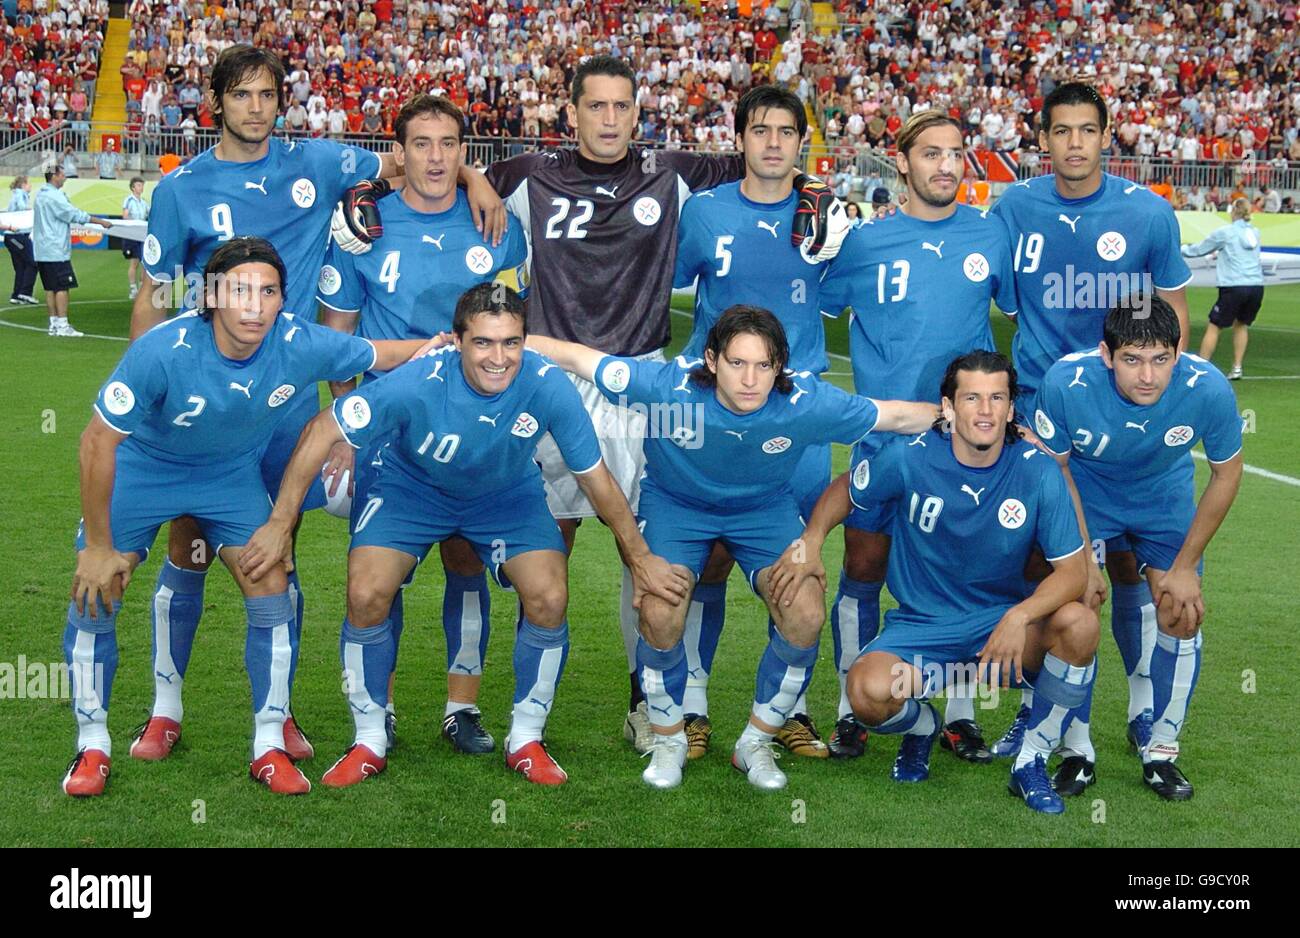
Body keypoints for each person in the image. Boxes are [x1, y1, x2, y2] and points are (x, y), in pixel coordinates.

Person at [331, 55, 849, 754]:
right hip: (549, 380)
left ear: (639, 114)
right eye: (595, 107)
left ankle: (651, 705)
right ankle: (521, 715)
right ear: (569, 112)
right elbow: (436, 165)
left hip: (641, 385)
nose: (609, 120)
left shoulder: (670, 172)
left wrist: (815, 187)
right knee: (548, 554)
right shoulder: (526, 175)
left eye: (621, 107)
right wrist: (447, 176)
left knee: (652, 553)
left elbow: (763, 161)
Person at [241, 284, 687, 788]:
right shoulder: (418, 380)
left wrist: (641, 556)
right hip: (411, 486)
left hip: (503, 492)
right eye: (483, 343)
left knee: (548, 594)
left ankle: (526, 738)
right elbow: (324, 428)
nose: (499, 358)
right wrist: (280, 524)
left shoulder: (547, 384)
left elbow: (595, 476)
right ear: (457, 341)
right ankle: (368, 739)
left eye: (511, 343)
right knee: (367, 593)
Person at [123, 45, 423, 765]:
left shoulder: (316, 163)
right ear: (217, 103)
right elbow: (152, 296)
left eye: (267, 95)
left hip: (288, 400)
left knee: (278, 554)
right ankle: (165, 710)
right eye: (242, 95)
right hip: (204, 402)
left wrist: (472, 177)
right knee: (189, 548)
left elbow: (407, 160)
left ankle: (277, 712)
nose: (256, 107)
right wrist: (148, 393)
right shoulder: (181, 188)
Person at [60, 238, 437, 797]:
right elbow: (97, 443)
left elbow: (378, 353)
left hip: (227, 478)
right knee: (98, 587)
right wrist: (96, 543)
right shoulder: (164, 349)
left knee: (270, 583)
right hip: (147, 470)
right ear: (211, 295)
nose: (256, 306)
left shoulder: (297, 341)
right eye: (240, 291)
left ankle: (268, 744)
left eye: (269, 292)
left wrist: (441, 345)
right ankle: (92, 746)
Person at [527, 306, 939, 790]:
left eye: (764, 366)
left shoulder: (805, 401)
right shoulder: (667, 388)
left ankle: (755, 743)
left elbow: (897, 415)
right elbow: (576, 357)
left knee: (804, 610)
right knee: (660, 608)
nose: (750, 379)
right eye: (737, 363)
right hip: (677, 506)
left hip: (762, 510)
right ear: (711, 360)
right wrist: (497, 342)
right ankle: (668, 738)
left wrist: (972, 417)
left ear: (780, 367)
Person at [770, 351, 1100, 814]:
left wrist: (1018, 615)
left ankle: (1031, 761)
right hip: (923, 629)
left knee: (1080, 624)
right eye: (971, 398)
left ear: (1010, 409)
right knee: (866, 693)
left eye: (996, 398)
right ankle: (922, 727)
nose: (985, 411)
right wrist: (811, 537)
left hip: (1000, 632)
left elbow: (1074, 572)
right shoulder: (910, 458)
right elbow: (848, 488)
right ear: (947, 407)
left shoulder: (1037, 469)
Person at [316, 94, 530, 754]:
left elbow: (513, 334)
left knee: (467, 562)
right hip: (388, 429)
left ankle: (459, 708)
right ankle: (374, 713)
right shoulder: (362, 227)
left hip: (478, 426)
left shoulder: (494, 226)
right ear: (399, 152)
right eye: (422, 144)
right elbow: (341, 338)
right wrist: (348, 435)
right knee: (381, 576)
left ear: (465, 154)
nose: (436, 158)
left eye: (449, 145)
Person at [988, 82, 1194, 760]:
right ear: (1042, 139)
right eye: (1061, 131)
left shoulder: (1149, 213)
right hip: (1045, 416)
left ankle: (1140, 705)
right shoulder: (1014, 207)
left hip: (1126, 413)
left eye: (1087, 130)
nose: (1074, 143)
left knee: (1130, 564)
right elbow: (1012, 308)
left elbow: (1174, 317)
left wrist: (1156, 401)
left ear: (1108, 135)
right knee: (1047, 567)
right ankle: (1040, 712)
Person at [815, 110, 1018, 761]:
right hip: (883, 443)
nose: (947, 166)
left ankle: (959, 713)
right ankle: (851, 704)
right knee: (862, 567)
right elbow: (807, 310)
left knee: (962, 574)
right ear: (901, 162)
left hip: (968, 449)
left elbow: (1024, 316)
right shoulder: (866, 243)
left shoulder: (990, 235)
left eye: (956, 153)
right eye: (931, 154)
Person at [668, 84, 852, 761]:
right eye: (760, 129)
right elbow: (665, 290)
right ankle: (689, 711)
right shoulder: (707, 213)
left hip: (797, 420)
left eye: (785, 131)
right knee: (707, 563)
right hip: (716, 417)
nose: (772, 142)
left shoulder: (824, 218)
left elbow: (846, 297)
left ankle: (789, 713)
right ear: (740, 138)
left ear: (801, 142)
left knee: (799, 565)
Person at [1033, 299, 1243, 800]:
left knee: (1181, 610)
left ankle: (1161, 750)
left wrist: (1186, 566)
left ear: (1177, 353)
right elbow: (1055, 470)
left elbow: (1226, 473)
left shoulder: (1208, 387)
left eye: (1160, 359)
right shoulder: (1065, 383)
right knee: (1076, 607)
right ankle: (1076, 749)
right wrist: (1083, 557)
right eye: (1131, 359)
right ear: (1106, 354)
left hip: (1162, 501)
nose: (1147, 376)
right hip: (1087, 496)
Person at [1183, 198, 1264, 380]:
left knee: (1214, 325)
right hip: (1256, 286)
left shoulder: (1225, 232)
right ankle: (1237, 367)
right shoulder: (1255, 232)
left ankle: (1201, 367)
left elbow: (1198, 249)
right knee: (1241, 324)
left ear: (1233, 212)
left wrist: (1179, 249)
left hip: (1234, 285)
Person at [33, 165, 115, 337]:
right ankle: (63, 325)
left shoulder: (40, 195)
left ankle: (54, 323)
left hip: (42, 248)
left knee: (50, 288)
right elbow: (72, 214)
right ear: (54, 176)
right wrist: (99, 221)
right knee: (62, 287)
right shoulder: (54, 197)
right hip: (55, 248)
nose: (65, 178)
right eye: (63, 175)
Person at [3, 176, 38, 304]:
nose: (31, 186)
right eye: (29, 184)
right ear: (23, 185)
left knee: (21, 267)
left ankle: (16, 295)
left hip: (13, 236)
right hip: (16, 235)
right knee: (33, 262)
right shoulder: (20, 195)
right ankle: (25, 293)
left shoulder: (17, 195)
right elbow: (22, 207)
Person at [121, 177, 149, 300]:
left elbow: (150, 214)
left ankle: (142, 288)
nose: (141, 187)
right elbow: (125, 216)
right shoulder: (128, 200)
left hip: (142, 234)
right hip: (132, 234)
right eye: (138, 185)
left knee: (144, 262)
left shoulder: (144, 202)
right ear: (133, 187)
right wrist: (135, 223)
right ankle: (133, 288)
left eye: (142, 185)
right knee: (134, 262)